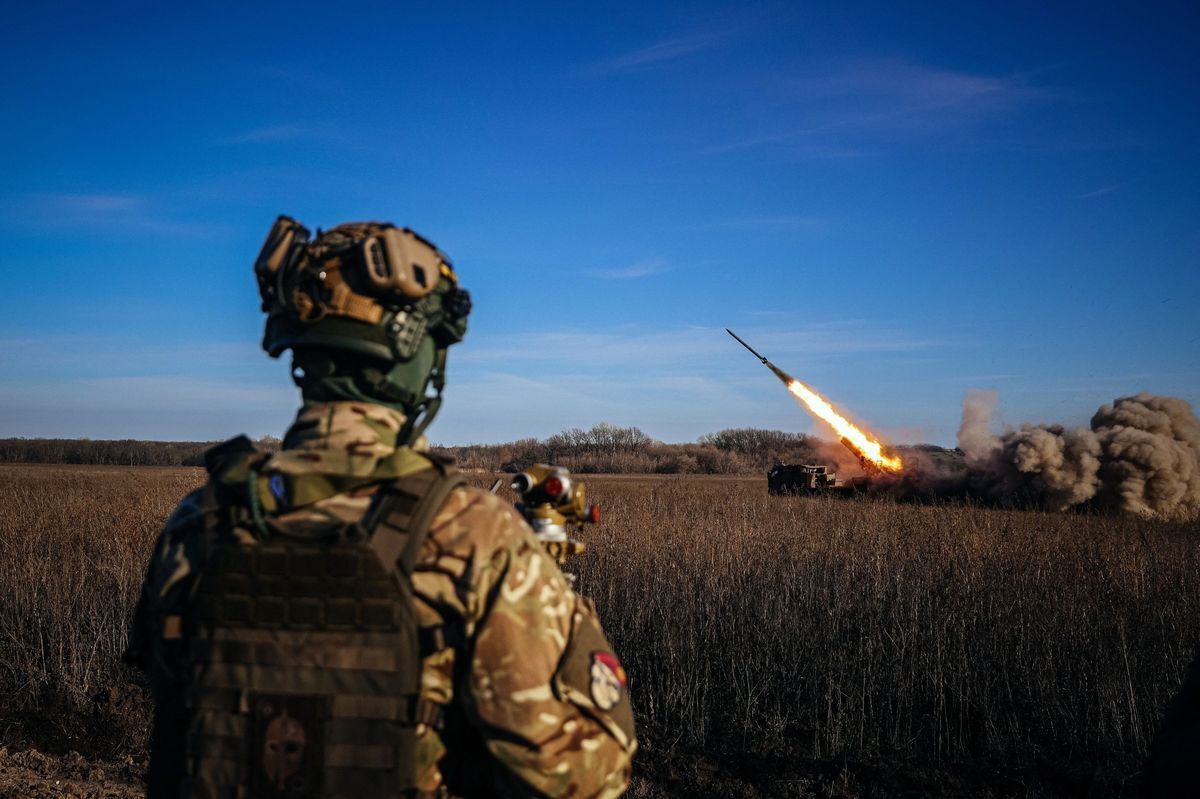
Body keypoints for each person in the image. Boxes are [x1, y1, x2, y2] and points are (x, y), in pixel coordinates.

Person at [125, 218, 636, 798]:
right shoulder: (474, 535)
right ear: (419, 357)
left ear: (300, 346)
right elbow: (581, 779)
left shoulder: (201, 518)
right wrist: (565, 612)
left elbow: (177, 705)